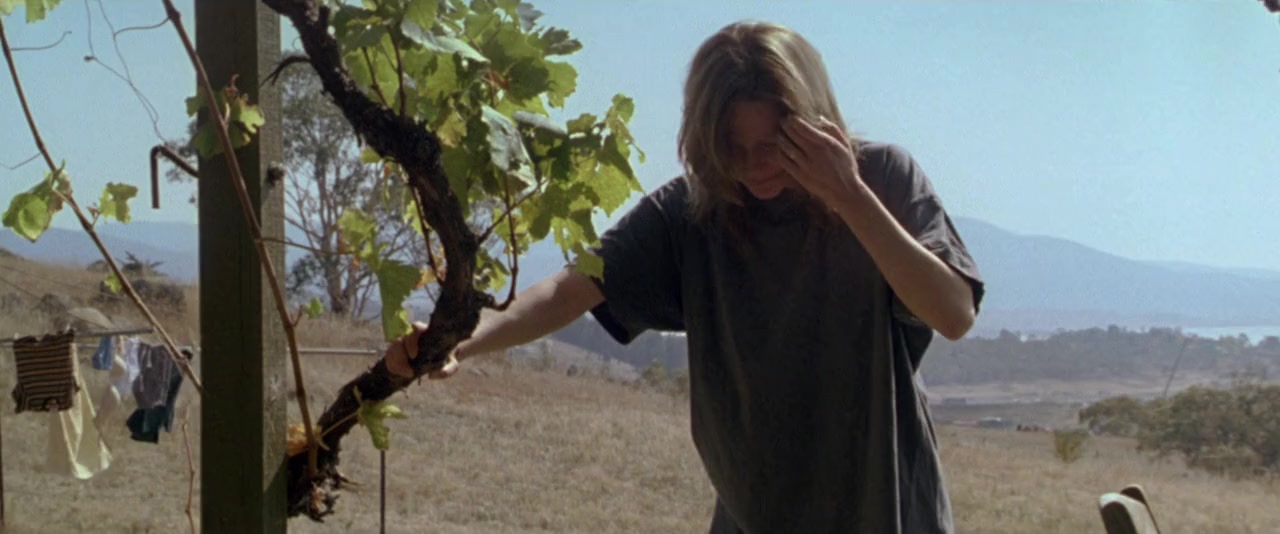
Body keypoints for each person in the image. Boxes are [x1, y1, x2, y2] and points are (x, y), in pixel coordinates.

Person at [386, 19, 984, 534]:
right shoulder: (693, 212)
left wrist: (848, 196)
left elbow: (954, 313)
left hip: (889, 513)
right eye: (732, 146)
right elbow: (568, 289)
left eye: (773, 143)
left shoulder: (881, 178)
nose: (753, 165)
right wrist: (458, 341)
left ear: (813, 120)